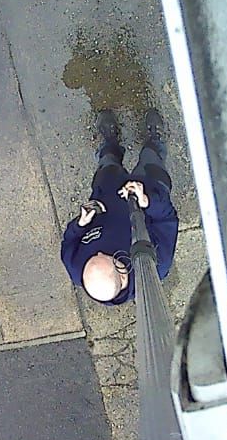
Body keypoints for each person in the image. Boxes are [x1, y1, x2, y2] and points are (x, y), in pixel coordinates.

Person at [60, 108, 177, 305]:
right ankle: (155, 140)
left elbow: (69, 242)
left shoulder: (77, 267)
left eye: (91, 258)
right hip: (149, 187)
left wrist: (80, 224)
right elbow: (167, 219)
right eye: (108, 256)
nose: (97, 252)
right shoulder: (155, 266)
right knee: (152, 158)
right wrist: (147, 200)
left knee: (108, 162)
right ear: (123, 277)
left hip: (108, 189)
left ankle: (110, 143)